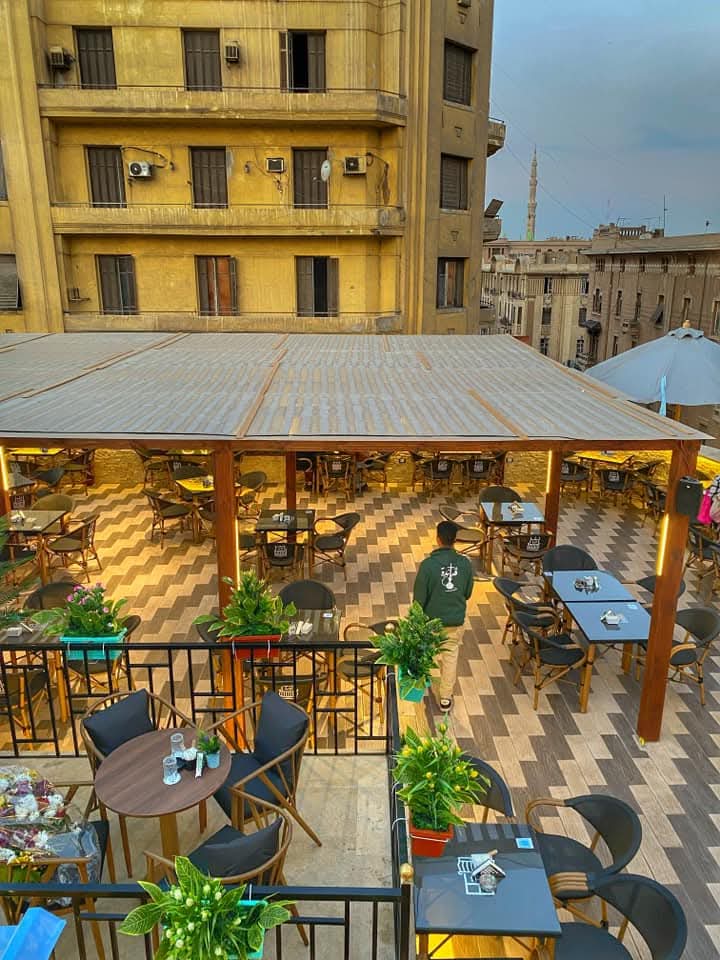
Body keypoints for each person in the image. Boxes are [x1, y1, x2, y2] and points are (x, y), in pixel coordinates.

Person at [413, 520, 474, 711]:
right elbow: (467, 592)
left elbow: (419, 599)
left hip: (431, 622)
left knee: (427, 653)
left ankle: (423, 683)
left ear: (437, 539)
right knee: (450, 658)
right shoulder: (465, 564)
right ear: (455, 540)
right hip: (454, 621)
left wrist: (416, 621)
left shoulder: (428, 566)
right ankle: (446, 697)